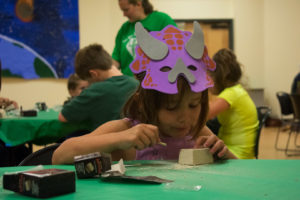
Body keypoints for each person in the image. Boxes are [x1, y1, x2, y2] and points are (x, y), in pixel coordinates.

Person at [52, 22, 237, 165]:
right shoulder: (126, 130)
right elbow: (60, 156)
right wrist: (120, 139)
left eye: (194, 104)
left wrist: (223, 153)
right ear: (144, 103)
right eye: (171, 107)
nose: (185, 117)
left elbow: (241, 170)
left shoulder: (196, 131)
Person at [58, 44, 139, 131]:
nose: (90, 85)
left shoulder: (95, 90)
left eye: (89, 82)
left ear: (94, 74)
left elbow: (63, 117)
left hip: (106, 142)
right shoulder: (136, 84)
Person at [207, 48, 259, 159]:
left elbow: (203, 115)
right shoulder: (237, 91)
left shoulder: (231, 94)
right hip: (242, 153)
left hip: (236, 155)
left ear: (219, 77)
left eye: (210, 76)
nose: (208, 82)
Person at [112, 0, 177, 76]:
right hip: (130, 83)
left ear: (138, 4)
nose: (124, 14)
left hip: (154, 81)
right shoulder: (125, 28)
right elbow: (116, 58)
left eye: (126, 10)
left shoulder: (162, 20)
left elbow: (176, 48)